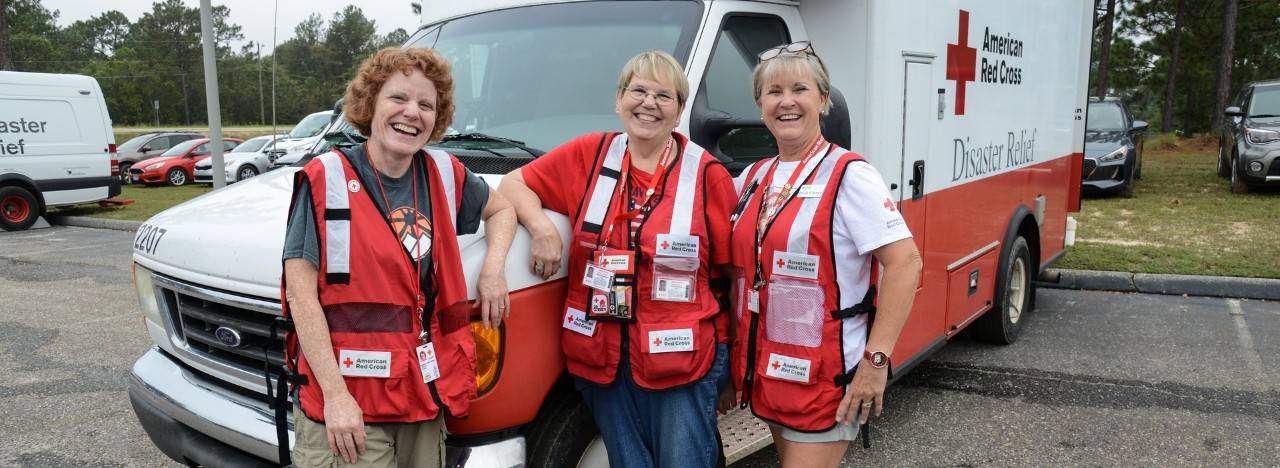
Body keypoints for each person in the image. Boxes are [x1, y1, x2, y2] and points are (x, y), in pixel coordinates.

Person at [498, 51, 737, 468]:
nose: (648, 103)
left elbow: (732, 276)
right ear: (619, 99)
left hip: (681, 364)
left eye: (664, 96)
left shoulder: (707, 174)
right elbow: (512, 184)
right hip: (602, 361)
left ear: (680, 109)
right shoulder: (588, 154)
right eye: (638, 91)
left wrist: (731, 367)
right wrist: (541, 228)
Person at [280, 47, 516, 468]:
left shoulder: (444, 173)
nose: (412, 113)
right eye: (398, 98)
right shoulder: (325, 179)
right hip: (350, 405)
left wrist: (494, 269)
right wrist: (336, 398)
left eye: (426, 105)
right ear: (370, 102)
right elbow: (300, 297)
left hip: (419, 396)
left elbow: (502, 210)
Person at [728, 42, 923, 467]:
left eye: (800, 88)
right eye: (773, 91)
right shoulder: (752, 177)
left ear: (823, 99)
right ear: (760, 104)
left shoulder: (850, 175)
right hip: (771, 372)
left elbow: (906, 263)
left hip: (826, 375)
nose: (786, 101)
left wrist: (875, 363)